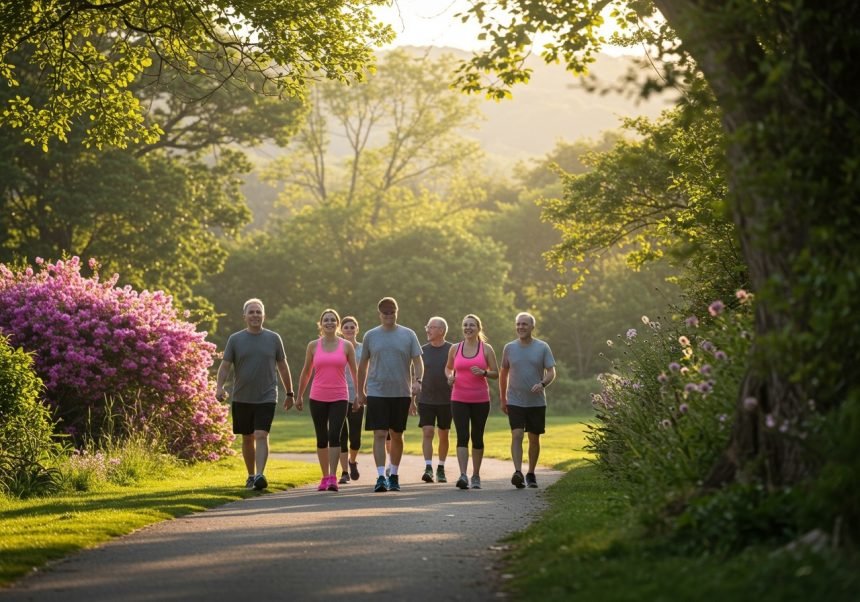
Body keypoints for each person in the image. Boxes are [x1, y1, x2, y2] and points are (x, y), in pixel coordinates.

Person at [216, 298, 294, 491]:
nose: (255, 315)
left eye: (258, 312)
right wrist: (219, 387)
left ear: (264, 316)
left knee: (261, 434)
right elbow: (225, 366)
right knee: (247, 437)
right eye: (251, 312)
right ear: (245, 316)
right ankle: (251, 475)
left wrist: (290, 392)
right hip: (242, 396)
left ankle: (260, 475)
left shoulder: (274, 338)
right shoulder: (235, 339)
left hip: (267, 395)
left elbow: (283, 366)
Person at [356, 296, 423, 492]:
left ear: (396, 312)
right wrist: (360, 391)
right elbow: (362, 366)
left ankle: (393, 474)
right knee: (379, 433)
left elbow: (418, 361)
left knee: (397, 434)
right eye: (385, 312)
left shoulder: (408, 335)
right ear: (380, 314)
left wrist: (418, 382)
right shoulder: (371, 336)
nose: (388, 315)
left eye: (391, 312)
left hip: (401, 391)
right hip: (377, 391)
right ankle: (380, 477)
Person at [296, 308, 358, 492]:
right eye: (326, 320)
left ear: (337, 324)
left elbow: (355, 371)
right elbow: (306, 371)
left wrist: (359, 395)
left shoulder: (346, 346)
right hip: (317, 396)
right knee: (321, 437)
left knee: (334, 435)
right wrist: (299, 395)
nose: (329, 322)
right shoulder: (313, 345)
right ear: (321, 324)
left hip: (340, 396)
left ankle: (333, 476)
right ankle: (324, 477)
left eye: (333, 320)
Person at [499, 312, 556, 489]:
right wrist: (503, 398)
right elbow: (503, 374)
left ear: (532, 327)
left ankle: (531, 473)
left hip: (536, 402)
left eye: (524, 324)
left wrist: (542, 383)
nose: (520, 327)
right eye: (518, 324)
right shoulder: (509, 348)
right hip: (515, 400)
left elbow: (551, 372)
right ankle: (518, 472)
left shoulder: (542, 347)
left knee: (534, 438)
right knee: (516, 434)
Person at [446, 314, 499, 490]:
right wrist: (449, 377)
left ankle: (475, 475)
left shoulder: (486, 349)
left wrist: (484, 372)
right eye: (465, 325)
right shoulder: (455, 348)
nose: (468, 328)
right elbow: (448, 368)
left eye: (472, 325)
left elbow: (496, 373)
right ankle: (463, 475)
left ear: (478, 328)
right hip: (458, 398)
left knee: (477, 437)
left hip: (480, 399)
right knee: (462, 436)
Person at [418, 316, 453, 483]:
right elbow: (415, 375)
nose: (428, 330)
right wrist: (412, 400)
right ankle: (428, 467)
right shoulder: (422, 350)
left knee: (444, 434)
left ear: (441, 330)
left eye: (431, 327)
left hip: (447, 399)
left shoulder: (452, 349)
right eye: (428, 327)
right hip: (426, 399)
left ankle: (441, 468)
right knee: (428, 432)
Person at [337, 316, 364, 484]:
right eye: (345, 327)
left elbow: (367, 371)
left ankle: (352, 461)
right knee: (341, 435)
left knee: (355, 437)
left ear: (357, 329)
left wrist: (362, 393)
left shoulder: (362, 349)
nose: (349, 329)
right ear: (341, 330)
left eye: (352, 326)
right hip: (339, 395)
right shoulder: (336, 348)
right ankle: (344, 472)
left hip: (357, 395)